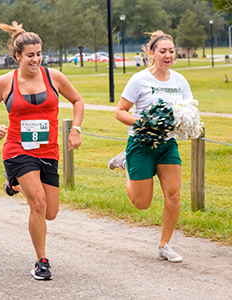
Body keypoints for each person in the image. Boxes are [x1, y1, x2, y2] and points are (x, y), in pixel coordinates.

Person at [0, 19, 84, 280]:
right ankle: (42, 261)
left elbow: (77, 100)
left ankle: (12, 184)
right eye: (30, 55)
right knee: (37, 204)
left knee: (50, 212)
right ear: (17, 56)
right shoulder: (4, 83)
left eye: (39, 54)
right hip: (18, 149)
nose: (36, 59)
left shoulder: (54, 77)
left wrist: (76, 129)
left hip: (48, 150)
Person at [108, 30, 193, 263]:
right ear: (152, 53)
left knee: (173, 195)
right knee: (141, 203)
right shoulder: (139, 79)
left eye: (171, 51)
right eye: (163, 51)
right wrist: (144, 122)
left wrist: (187, 123)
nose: (168, 55)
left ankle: (165, 245)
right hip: (141, 144)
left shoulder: (179, 81)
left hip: (167, 145)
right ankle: (126, 162)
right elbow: (120, 112)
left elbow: (188, 110)